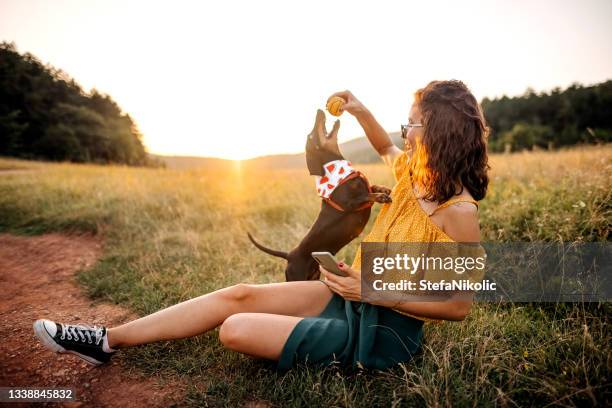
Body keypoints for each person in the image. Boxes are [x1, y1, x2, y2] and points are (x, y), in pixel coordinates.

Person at [33, 79, 490, 372]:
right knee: (238, 295)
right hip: (350, 293)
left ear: (438, 133)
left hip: (385, 333)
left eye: (410, 125)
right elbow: (384, 147)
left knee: (234, 328)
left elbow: (457, 307)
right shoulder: (414, 174)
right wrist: (358, 109)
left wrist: (368, 291)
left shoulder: (459, 213)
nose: (403, 133)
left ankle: (336, 354)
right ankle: (103, 340)